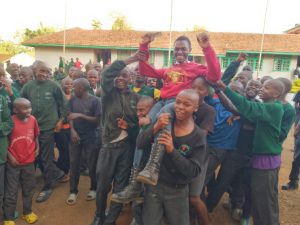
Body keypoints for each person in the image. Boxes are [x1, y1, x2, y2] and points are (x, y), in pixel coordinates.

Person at [137, 31, 221, 185]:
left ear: (189, 50)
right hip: (161, 102)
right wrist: (144, 45)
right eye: (177, 49)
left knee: (162, 124)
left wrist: (207, 48)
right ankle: (135, 174)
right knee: (144, 130)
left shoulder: (196, 68)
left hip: (175, 103)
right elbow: (145, 71)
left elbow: (215, 76)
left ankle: (153, 166)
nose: (179, 51)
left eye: (183, 48)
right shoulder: (169, 69)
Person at [215, 79, 285, 225]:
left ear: (276, 93)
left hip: (266, 162)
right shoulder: (268, 106)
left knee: (264, 202)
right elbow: (246, 112)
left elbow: (246, 106)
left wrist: (224, 89)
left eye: (266, 87)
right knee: (261, 200)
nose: (261, 89)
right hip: (261, 159)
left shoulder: (274, 108)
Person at [138, 89, 207, 225]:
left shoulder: (198, 137)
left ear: (195, 108)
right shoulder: (164, 124)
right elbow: (140, 143)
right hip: (154, 186)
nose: (180, 107)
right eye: (178, 102)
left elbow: (193, 171)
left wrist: (172, 150)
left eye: (186, 104)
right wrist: (155, 127)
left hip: (177, 190)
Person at [90, 53, 141, 225]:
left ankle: (111, 219)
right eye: (118, 75)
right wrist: (130, 59)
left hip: (127, 148)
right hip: (108, 147)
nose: (120, 78)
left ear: (131, 78)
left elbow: (139, 123)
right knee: (103, 186)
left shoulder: (136, 98)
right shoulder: (107, 93)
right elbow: (106, 75)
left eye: (124, 75)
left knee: (120, 186)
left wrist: (130, 125)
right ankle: (99, 215)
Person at [21, 61, 68, 203]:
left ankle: (48, 186)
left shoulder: (54, 86)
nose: (44, 74)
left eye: (46, 71)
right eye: (41, 71)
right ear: (35, 71)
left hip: (48, 127)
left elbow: (64, 104)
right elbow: (21, 102)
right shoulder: (28, 87)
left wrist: (61, 120)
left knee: (45, 157)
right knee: (36, 156)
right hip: (31, 128)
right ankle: (58, 173)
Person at [111, 96, 155, 225]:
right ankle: (136, 218)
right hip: (137, 167)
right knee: (137, 194)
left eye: (142, 110)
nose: (138, 113)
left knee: (146, 196)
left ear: (152, 110)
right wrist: (128, 128)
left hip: (148, 170)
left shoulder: (157, 126)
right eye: (137, 110)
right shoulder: (142, 123)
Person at [3, 98, 39, 225]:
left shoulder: (33, 120)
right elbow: (4, 141)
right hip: (14, 164)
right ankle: (8, 218)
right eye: (24, 108)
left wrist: (37, 147)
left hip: (29, 162)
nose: (28, 110)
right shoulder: (10, 122)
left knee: (28, 189)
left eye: (29, 107)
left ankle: (27, 212)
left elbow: (35, 135)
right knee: (11, 191)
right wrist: (10, 156)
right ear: (15, 110)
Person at [66, 78, 101, 205]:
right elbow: (69, 116)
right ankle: (73, 191)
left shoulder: (95, 101)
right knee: (74, 162)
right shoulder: (73, 100)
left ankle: (93, 188)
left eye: (74, 87)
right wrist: (72, 131)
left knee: (92, 164)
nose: (72, 89)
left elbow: (97, 121)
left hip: (91, 135)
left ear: (82, 88)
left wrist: (80, 115)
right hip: (76, 135)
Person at [54, 77, 73, 183]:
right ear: (61, 85)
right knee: (64, 150)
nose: (69, 86)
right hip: (60, 129)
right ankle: (63, 172)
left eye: (71, 84)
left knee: (70, 150)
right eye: (66, 84)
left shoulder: (74, 97)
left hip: (71, 128)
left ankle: (66, 170)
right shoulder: (58, 98)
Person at [0, 95, 13, 221]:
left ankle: (6, 213)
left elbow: (9, 123)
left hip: (1, 153)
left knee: (2, 187)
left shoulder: (1, 99)